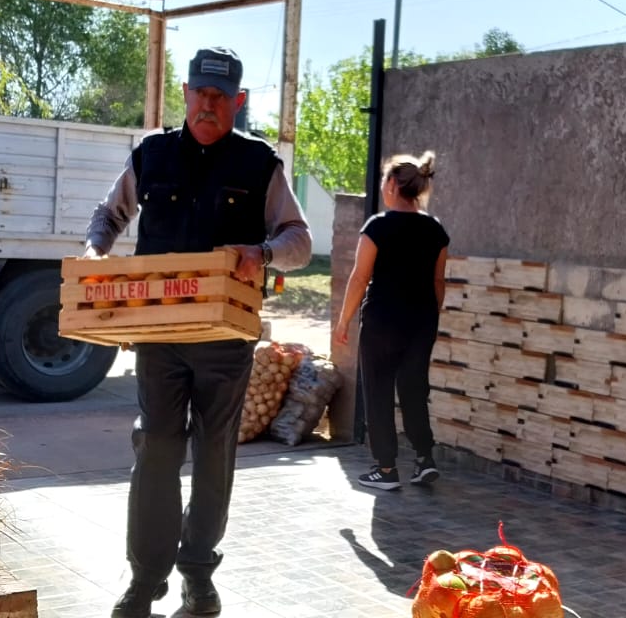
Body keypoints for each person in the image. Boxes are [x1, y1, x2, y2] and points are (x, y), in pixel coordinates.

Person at [83, 47, 312, 617]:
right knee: (156, 448)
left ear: (238, 100)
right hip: (159, 336)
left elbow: (299, 241)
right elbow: (108, 214)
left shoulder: (259, 163)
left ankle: (198, 575)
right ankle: (145, 582)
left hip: (226, 341)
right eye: (200, 94)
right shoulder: (153, 154)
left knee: (214, 456)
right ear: (184, 93)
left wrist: (261, 253)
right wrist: (94, 251)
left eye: (220, 96)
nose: (208, 105)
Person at [334, 152, 451, 491]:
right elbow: (438, 282)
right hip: (422, 321)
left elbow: (359, 278)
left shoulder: (378, 226)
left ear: (392, 185)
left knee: (378, 390)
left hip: (382, 321)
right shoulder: (435, 229)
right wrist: (430, 316)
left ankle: (386, 469)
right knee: (414, 388)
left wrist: (343, 321)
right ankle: (424, 459)